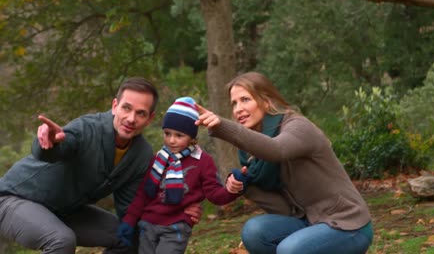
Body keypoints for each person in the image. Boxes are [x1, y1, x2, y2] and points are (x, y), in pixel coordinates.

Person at [0, 77, 201, 254]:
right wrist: (49, 141)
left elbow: (132, 209)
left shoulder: (140, 155)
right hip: (14, 199)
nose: (131, 119)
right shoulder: (88, 128)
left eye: (140, 113)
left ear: (150, 119)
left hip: (65, 210)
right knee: (61, 240)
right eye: (126, 108)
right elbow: (57, 148)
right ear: (115, 106)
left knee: (130, 235)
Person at [195, 72, 373, 254]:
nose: (238, 108)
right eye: (234, 103)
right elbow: (286, 210)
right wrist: (245, 185)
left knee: (289, 250)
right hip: (309, 221)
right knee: (254, 232)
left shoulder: (297, 126)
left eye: (245, 99)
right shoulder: (252, 153)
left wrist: (222, 127)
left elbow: (276, 149)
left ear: (266, 101)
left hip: (348, 223)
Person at [117, 96, 239, 254]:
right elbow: (143, 194)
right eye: (167, 133)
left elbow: (214, 194)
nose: (171, 140)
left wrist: (233, 188)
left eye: (179, 135)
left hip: (175, 227)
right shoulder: (158, 159)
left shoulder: (202, 161)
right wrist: (129, 220)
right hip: (148, 225)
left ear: (191, 137)